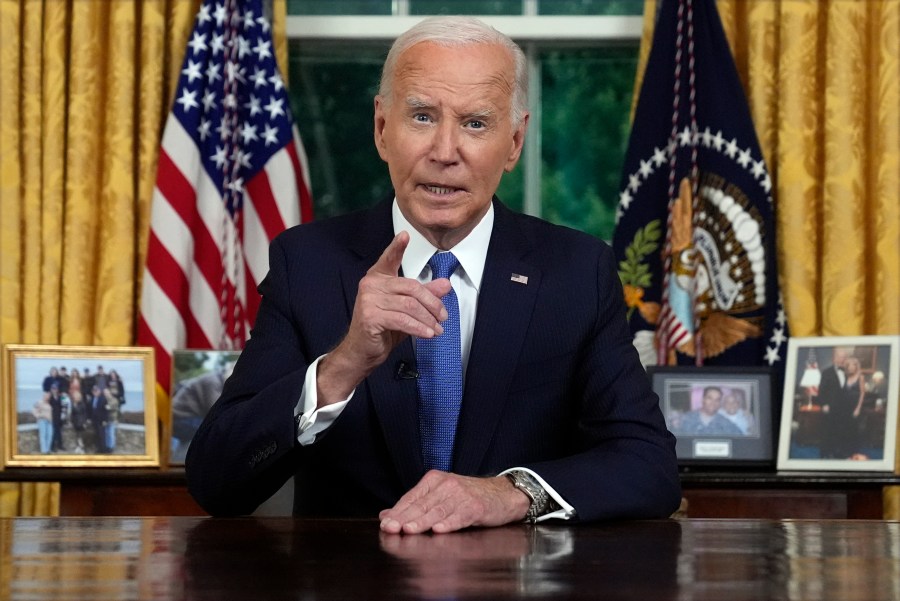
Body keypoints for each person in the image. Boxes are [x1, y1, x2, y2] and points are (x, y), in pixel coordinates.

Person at [185, 16, 681, 532]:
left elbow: (649, 466)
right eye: (422, 117)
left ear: (514, 141)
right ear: (382, 130)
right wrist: (344, 364)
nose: (445, 152)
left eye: (475, 124)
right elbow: (215, 482)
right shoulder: (307, 262)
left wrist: (510, 493)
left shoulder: (577, 272)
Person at [171, 358, 237, 463]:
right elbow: (216, 411)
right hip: (180, 418)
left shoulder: (218, 380)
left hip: (189, 418)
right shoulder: (212, 381)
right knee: (215, 432)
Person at [818, 347, 851, 458]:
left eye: (844, 357)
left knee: (842, 431)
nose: (842, 360)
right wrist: (824, 405)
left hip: (844, 408)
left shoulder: (848, 372)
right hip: (830, 407)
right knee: (828, 431)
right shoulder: (826, 372)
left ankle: (839, 453)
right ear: (835, 358)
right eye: (840, 357)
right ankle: (825, 454)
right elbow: (821, 390)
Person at [677, 386, 743, 436]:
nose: (713, 402)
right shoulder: (685, 418)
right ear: (703, 399)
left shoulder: (725, 423)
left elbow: (741, 439)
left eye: (717, 400)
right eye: (710, 398)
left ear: (720, 403)